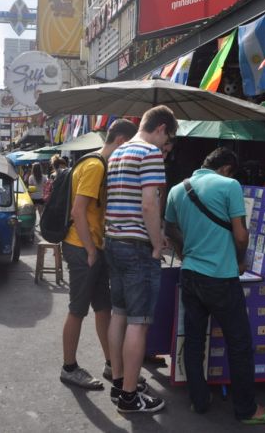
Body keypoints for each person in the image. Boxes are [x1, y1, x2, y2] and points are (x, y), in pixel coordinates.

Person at [164, 147, 265, 424]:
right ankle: (246, 410)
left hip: (190, 275)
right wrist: (241, 260)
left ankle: (199, 400)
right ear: (227, 168)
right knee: (239, 344)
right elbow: (240, 236)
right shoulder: (230, 186)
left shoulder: (177, 190)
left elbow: (169, 230)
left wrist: (184, 253)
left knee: (194, 341)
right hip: (221, 278)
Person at [105, 106, 177, 413]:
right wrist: (157, 244)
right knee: (139, 322)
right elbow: (149, 205)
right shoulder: (150, 153)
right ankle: (130, 397)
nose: (166, 145)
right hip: (137, 248)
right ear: (161, 128)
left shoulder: (118, 153)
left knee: (119, 314)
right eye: (167, 137)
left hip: (114, 241)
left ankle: (119, 383)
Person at [60, 119, 138, 390]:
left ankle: (111, 364)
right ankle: (69, 367)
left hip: (93, 247)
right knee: (77, 310)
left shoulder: (98, 163)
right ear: (121, 141)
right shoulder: (95, 166)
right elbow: (78, 211)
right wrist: (91, 250)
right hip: (83, 247)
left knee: (103, 308)